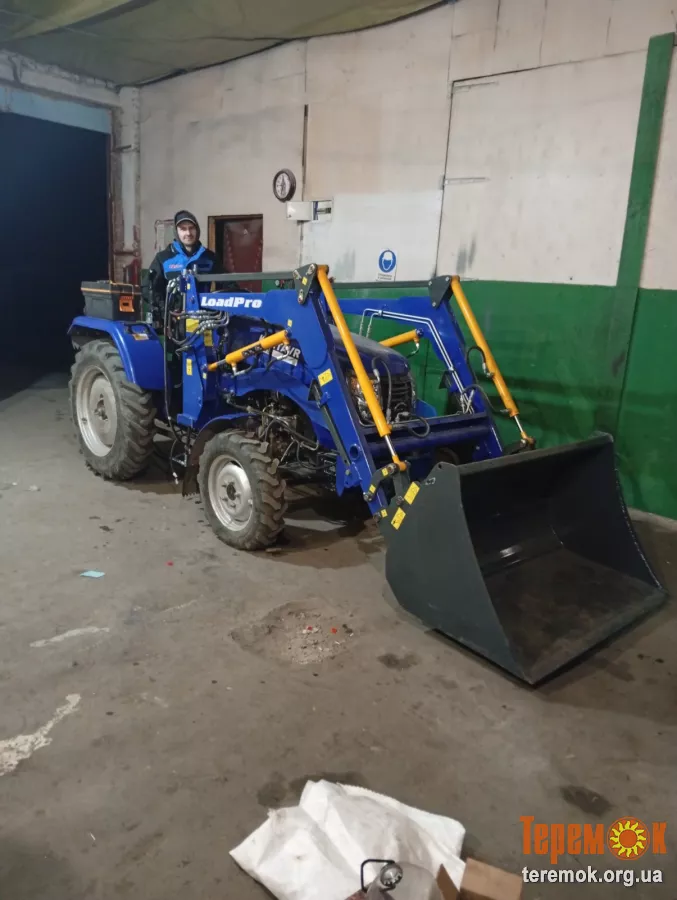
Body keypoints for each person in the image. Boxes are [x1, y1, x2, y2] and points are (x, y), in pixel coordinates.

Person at [146, 210, 219, 316]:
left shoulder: (209, 257)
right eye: (183, 229)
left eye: (191, 228)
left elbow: (228, 285)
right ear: (176, 232)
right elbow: (148, 288)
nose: (188, 233)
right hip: (172, 320)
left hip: (204, 318)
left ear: (197, 230)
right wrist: (164, 311)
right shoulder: (163, 258)